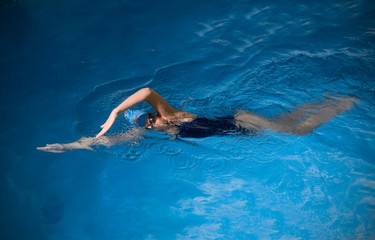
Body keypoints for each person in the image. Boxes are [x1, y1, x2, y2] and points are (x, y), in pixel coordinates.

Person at [37, 88, 357, 153]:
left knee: (300, 131)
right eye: (147, 125)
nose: (152, 123)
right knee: (289, 120)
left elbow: (147, 91)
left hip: (242, 122)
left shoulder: (171, 116)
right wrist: (68, 146)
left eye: (150, 119)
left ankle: (346, 103)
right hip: (241, 129)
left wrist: (115, 113)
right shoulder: (164, 132)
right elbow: (110, 140)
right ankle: (333, 99)